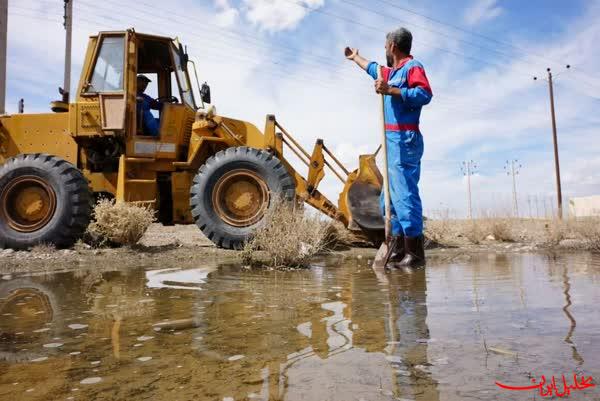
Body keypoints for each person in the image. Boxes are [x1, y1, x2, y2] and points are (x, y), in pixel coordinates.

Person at [346, 27, 432, 267]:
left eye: (385, 46)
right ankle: (397, 247)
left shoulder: (412, 68)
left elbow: (424, 93)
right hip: (391, 142)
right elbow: (371, 67)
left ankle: (414, 254)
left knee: (404, 195)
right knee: (389, 200)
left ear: (393, 46)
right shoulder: (389, 72)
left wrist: (392, 91)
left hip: (405, 139)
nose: (384, 49)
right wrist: (355, 58)